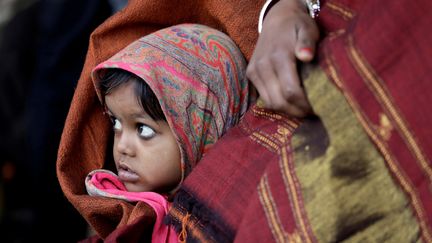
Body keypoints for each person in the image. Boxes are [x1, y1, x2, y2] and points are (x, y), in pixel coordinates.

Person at [75, 23, 249, 241]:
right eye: (116, 123)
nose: (122, 147)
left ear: (203, 131)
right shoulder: (116, 205)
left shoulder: (225, 225)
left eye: (143, 129)